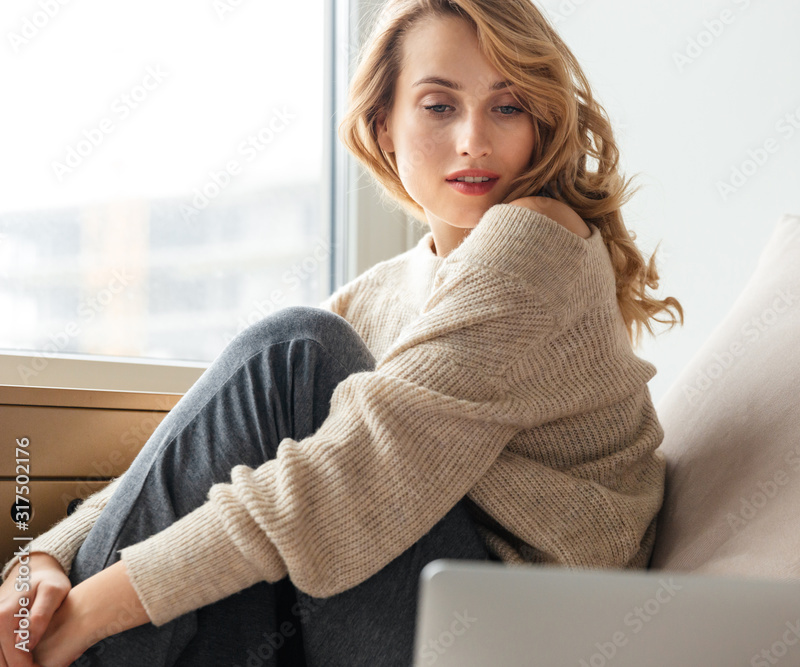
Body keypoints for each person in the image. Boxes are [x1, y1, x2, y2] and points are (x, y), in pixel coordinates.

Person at [0, 0, 683, 664]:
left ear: (539, 123)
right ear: (384, 124)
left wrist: (95, 607)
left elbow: (354, 475)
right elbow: (215, 462)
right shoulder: (376, 294)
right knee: (283, 394)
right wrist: (46, 554)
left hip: (507, 634)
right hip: (391, 611)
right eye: (440, 105)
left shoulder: (539, 240)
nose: (474, 138)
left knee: (296, 349)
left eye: (506, 106)